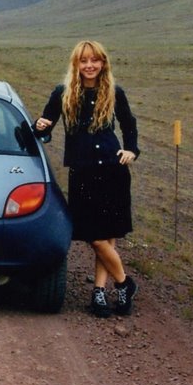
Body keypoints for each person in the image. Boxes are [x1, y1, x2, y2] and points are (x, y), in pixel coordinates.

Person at [35, 40, 140, 318]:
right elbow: (46, 128)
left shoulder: (115, 93)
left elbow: (129, 124)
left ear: (103, 63)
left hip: (112, 170)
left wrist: (131, 150)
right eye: (84, 61)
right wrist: (40, 126)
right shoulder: (62, 93)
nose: (90, 65)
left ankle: (99, 294)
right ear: (76, 64)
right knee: (95, 237)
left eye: (95, 60)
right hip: (82, 172)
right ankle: (125, 284)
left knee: (106, 236)